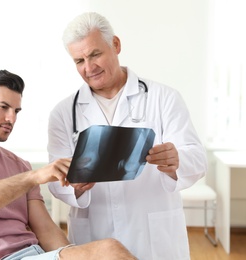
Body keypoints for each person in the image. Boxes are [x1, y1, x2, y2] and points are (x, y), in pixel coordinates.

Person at [0, 67, 136, 260]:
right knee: (110, 250)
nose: (11, 118)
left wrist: (72, 255)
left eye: (16, 111)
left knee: (106, 252)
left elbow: (47, 231)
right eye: (3, 107)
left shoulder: (19, 164)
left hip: (35, 253)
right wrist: (33, 177)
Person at [47, 12, 208, 260]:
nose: (89, 68)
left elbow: (197, 158)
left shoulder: (163, 98)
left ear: (116, 45)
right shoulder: (63, 113)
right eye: (79, 61)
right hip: (94, 237)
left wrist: (177, 161)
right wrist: (75, 186)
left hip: (154, 236)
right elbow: (54, 180)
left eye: (95, 54)